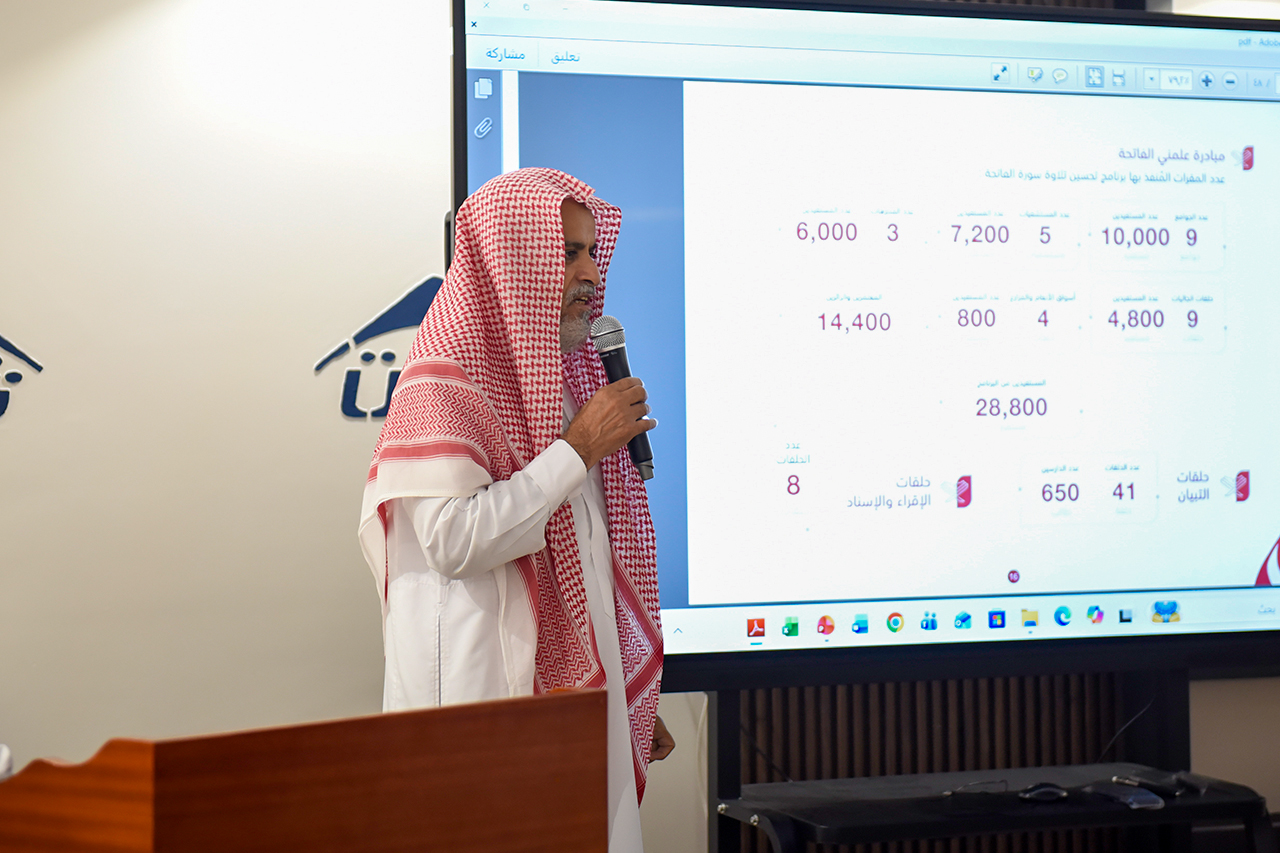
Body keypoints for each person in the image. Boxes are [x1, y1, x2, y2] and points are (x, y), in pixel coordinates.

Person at [358, 168, 673, 852]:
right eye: (569, 253)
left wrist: (623, 686)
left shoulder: (570, 379)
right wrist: (577, 449)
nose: (590, 273)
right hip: (481, 712)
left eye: (592, 252)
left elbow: (585, 558)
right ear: (513, 257)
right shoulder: (444, 383)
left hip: (574, 712)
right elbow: (454, 540)